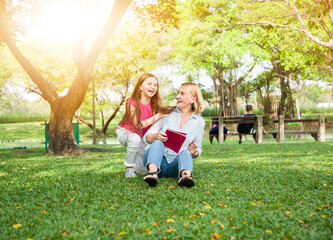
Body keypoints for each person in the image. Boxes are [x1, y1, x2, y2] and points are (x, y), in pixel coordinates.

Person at [142, 83, 205, 188]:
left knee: (186, 152)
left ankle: (185, 177)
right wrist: (156, 136)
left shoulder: (199, 121)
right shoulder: (167, 113)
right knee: (158, 142)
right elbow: (147, 137)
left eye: (182, 94)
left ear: (193, 99)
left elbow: (198, 148)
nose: (177, 97)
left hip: (174, 167)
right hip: (156, 161)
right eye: (177, 93)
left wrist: (194, 152)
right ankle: (152, 174)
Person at [116, 73, 170, 178]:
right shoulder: (131, 102)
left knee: (142, 171)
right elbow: (138, 125)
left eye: (155, 85)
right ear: (140, 86)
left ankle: (138, 169)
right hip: (126, 132)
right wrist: (158, 116)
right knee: (135, 138)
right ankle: (129, 169)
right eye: (149, 84)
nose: (153, 87)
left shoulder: (155, 105)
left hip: (141, 137)